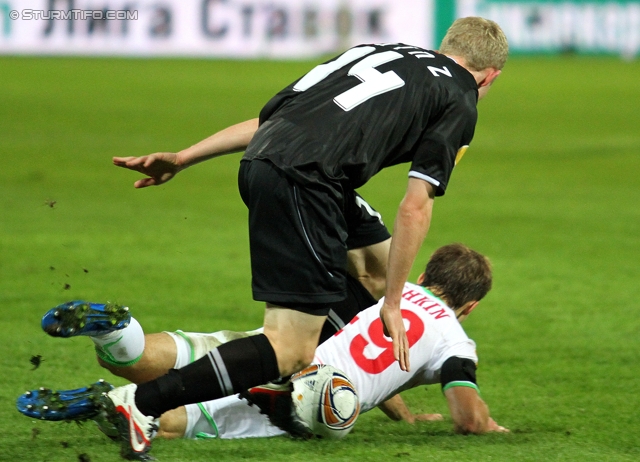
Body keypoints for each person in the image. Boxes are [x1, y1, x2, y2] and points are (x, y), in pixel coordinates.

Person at [95, 16, 507, 459]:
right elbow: (416, 205)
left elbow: (271, 119)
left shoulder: (379, 51)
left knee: (376, 270)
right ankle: (143, 405)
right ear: (490, 76)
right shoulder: (461, 98)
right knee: (289, 348)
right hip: (306, 181)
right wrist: (391, 305)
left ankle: (384, 400)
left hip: (274, 162)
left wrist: (184, 157)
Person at [18, 244, 508, 448]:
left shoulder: (391, 300)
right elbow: (466, 415)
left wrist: (403, 414)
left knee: (149, 358)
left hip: (275, 348)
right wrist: (488, 425)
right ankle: (104, 402)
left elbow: (367, 353)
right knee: (169, 421)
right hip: (300, 396)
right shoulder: (454, 338)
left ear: (423, 275)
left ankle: (114, 331)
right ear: (471, 308)